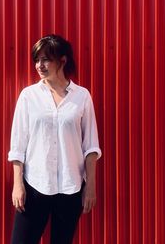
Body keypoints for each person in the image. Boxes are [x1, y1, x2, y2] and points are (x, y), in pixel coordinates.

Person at [8, 34, 102, 244]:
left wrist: (91, 187)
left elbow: (91, 146)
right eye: (37, 60)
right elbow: (18, 144)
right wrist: (17, 184)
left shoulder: (81, 96)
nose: (39, 65)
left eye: (45, 59)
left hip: (71, 187)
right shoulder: (29, 96)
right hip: (35, 185)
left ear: (62, 60)